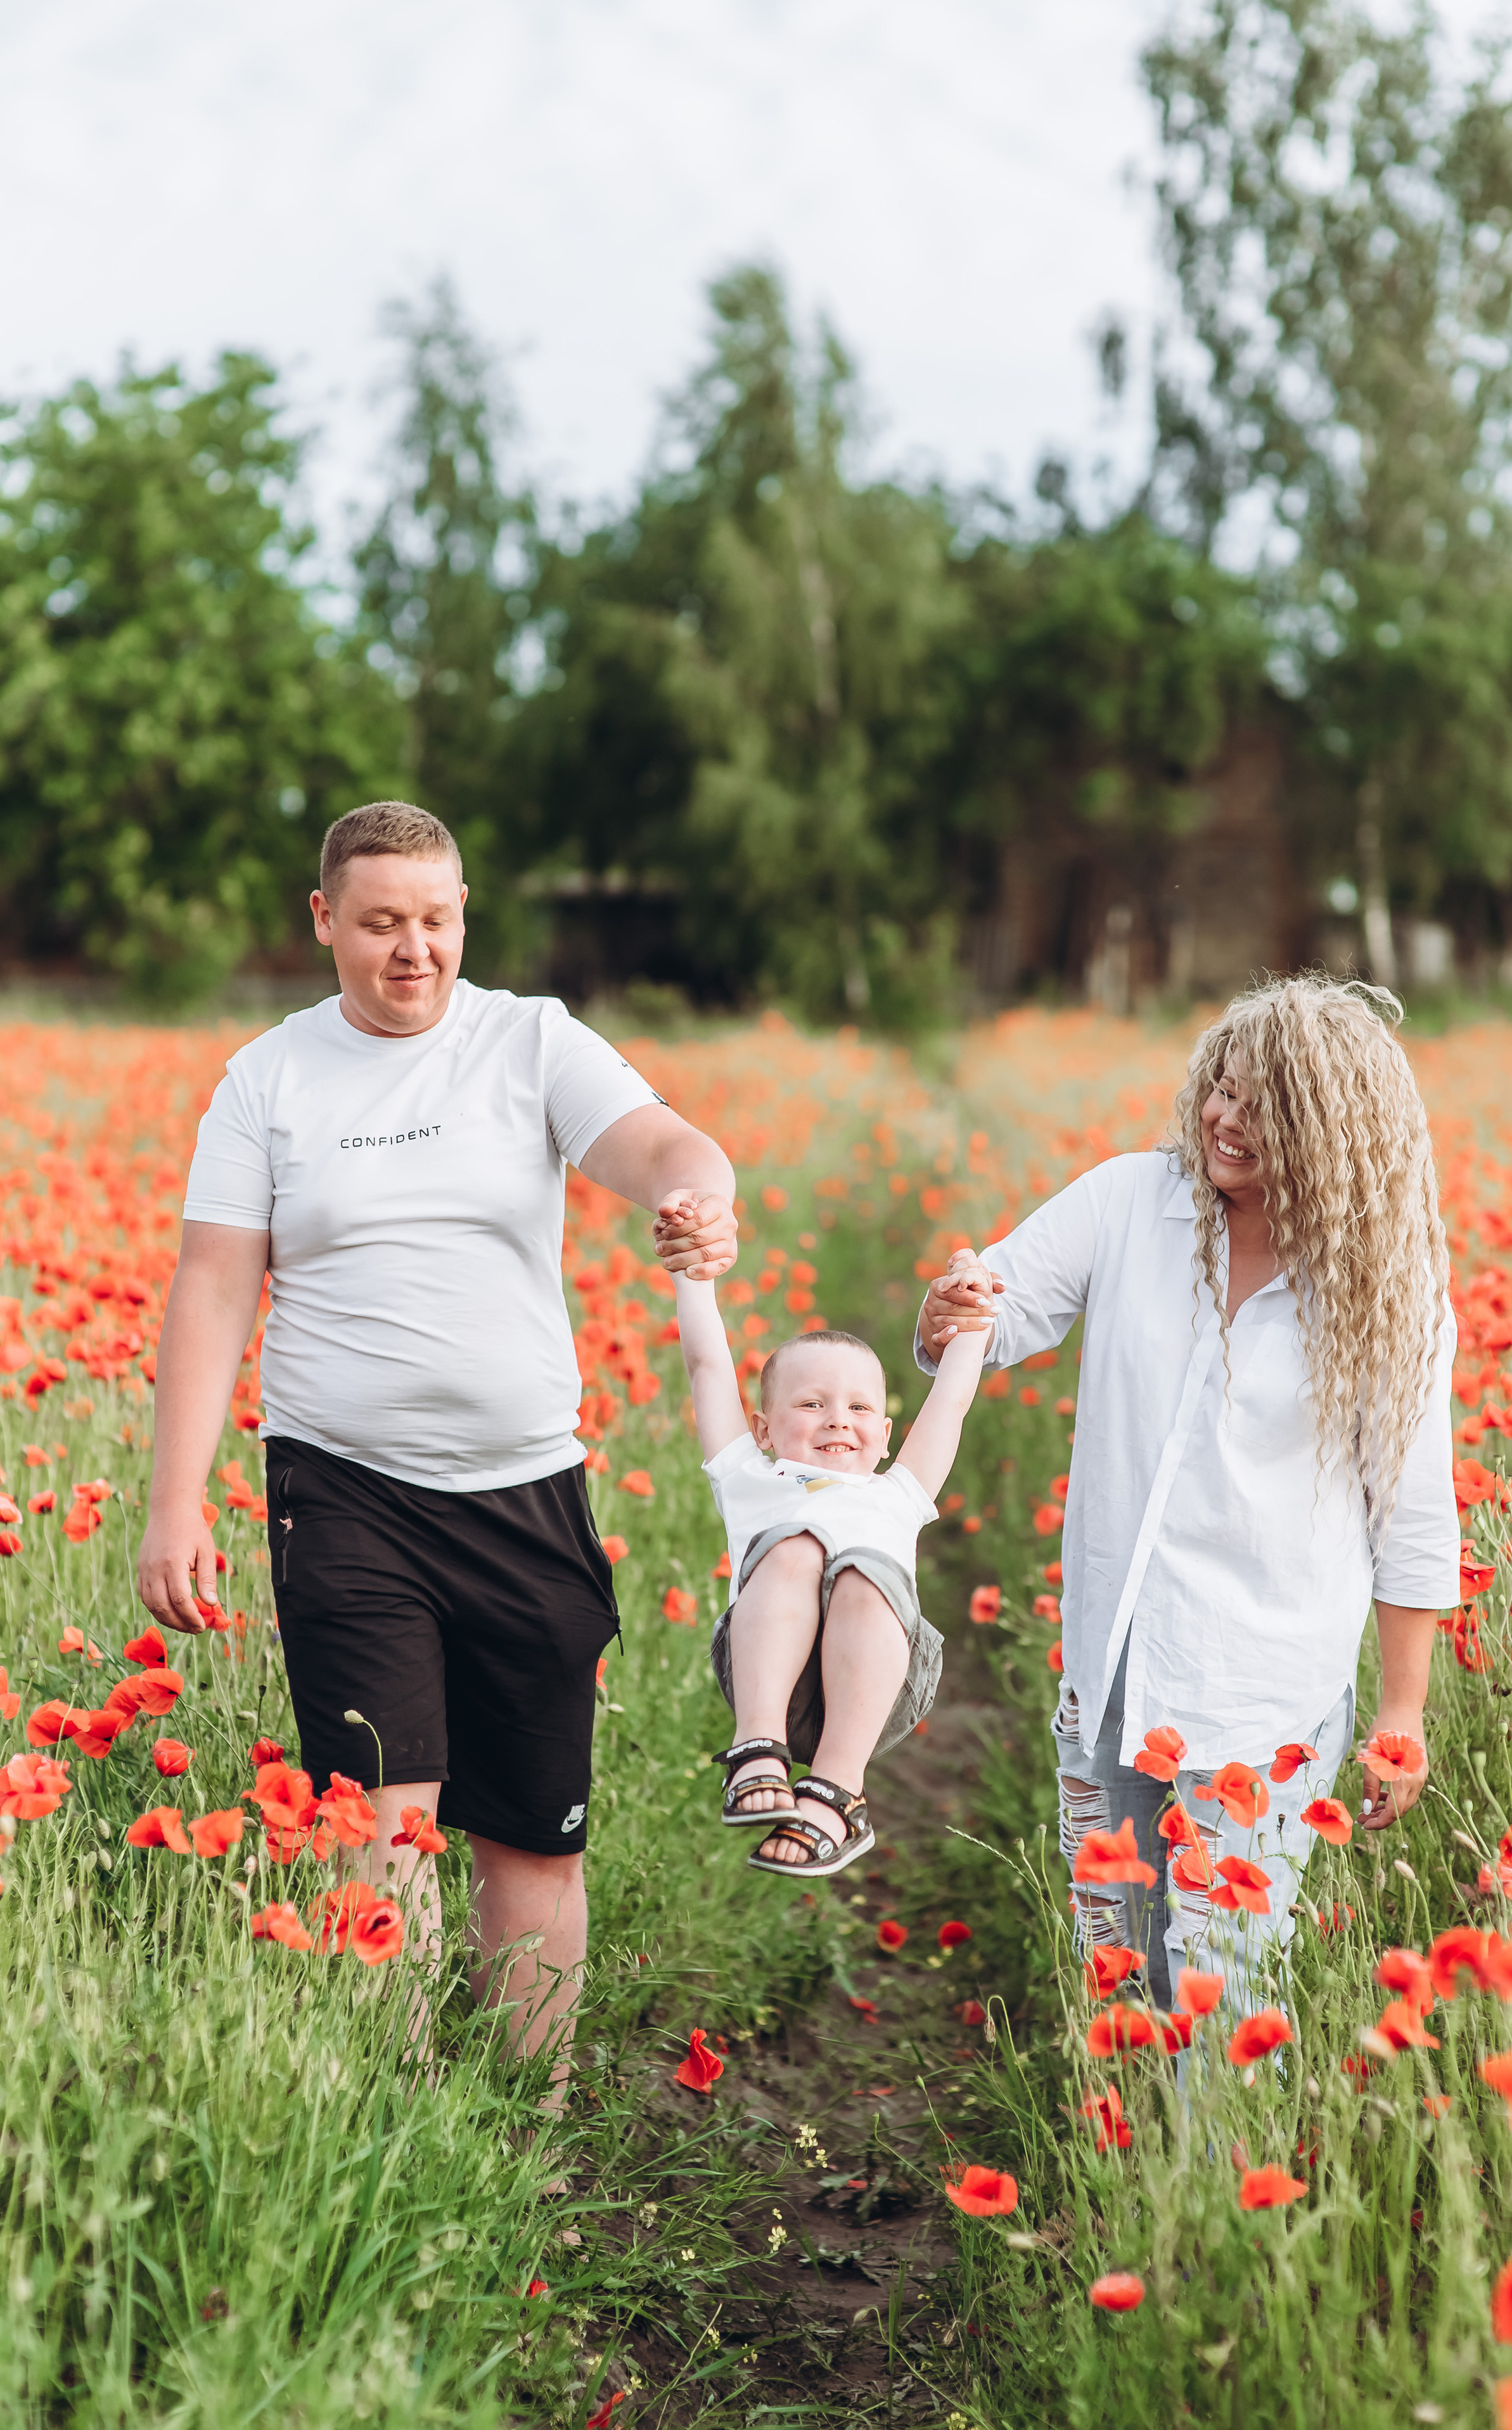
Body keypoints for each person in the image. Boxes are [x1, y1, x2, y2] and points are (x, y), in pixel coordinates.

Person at [137, 800, 737, 2081]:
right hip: (343, 1495)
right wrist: (172, 1501)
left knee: (533, 1839)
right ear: (324, 923)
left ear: (463, 913)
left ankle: (527, 2128)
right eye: (381, 925)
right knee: (379, 1828)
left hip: (525, 1493)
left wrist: (699, 1191)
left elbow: (653, 1143)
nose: (413, 951)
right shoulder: (270, 1080)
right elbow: (211, 1289)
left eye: (435, 920)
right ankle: (402, 2129)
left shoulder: (528, 1044)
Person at [917, 974, 1459, 2011]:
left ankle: (1211, 2173)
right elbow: (998, 1308)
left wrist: (1403, 1707)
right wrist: (957, 1307)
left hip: (1265, 1694)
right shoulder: (1129, 1200)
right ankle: (1130, 2172)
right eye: (1220, 1087)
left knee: (1221, 1987)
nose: (1222, 1116)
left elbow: (1415, 1510)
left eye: (1262, 1103)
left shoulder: (1387, 1288)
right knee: (1116, 1966)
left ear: (1329, 1127)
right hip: (1110, 1665)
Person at [670, 1238, 988, 1877]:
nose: (838, 1420)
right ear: (762, 1431)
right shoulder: (749, 1478)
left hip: (878, 1690)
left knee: (864, 1570)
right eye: (812, 1404)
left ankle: (836, 1792)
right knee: (797, 1544)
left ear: (885, 1435)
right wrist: (691, 1276)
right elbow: (707, 1367)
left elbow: (951, 1400)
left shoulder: (896, 1492)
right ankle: (757, 1749)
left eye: (860, 1407)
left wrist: (972, 1314)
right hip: (769, 1683)